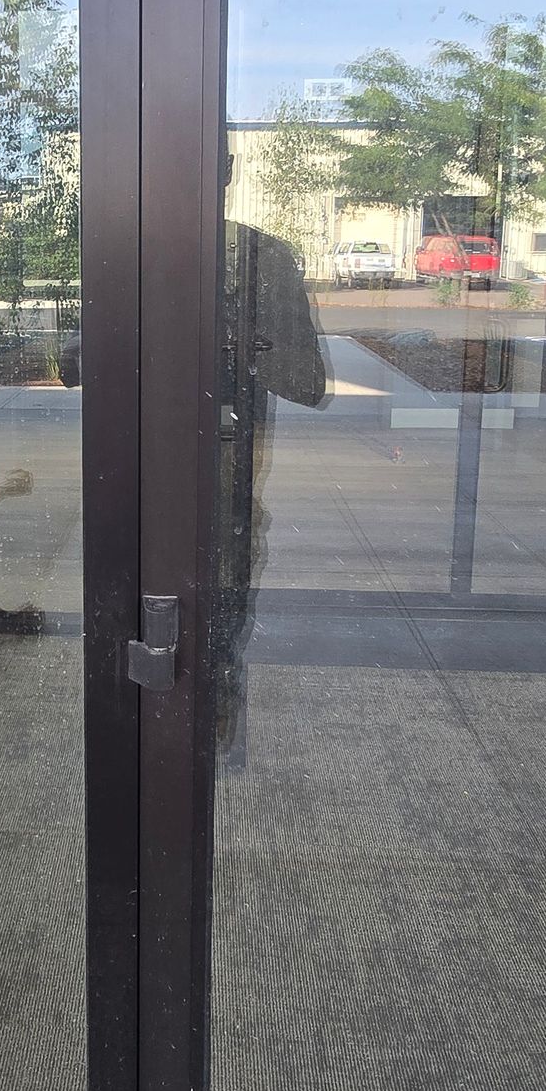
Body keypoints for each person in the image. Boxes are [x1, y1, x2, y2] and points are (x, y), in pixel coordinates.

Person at [213, 218, 329, 761]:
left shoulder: (262, 258)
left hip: (229, 447)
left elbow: (304, 381)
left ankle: (218, 703)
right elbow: (76, 362)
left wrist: (242, 341)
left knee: (228, 557)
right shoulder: (132, 241)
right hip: (145, 459)